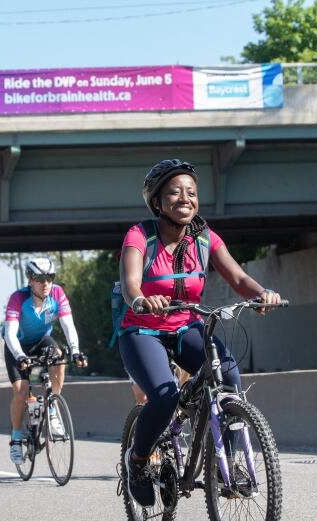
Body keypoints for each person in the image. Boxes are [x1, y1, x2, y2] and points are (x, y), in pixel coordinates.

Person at [118, 159, 282, 506]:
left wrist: (261, 294)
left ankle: (236, 463)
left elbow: (238, 278)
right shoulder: (140, 235)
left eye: (191, 192)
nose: (185, 199)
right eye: (174, 192)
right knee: (164, 395)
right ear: (157, 202)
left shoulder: (205, 237)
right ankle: (138, 460)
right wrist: (143, 301)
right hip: (142, 331)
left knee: (229, 374)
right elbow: (131, 283)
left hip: (186, 326)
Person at [3, 257, 88, 465]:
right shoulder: (18, 298)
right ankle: (15, 438)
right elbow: (10, 334)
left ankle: (52, 408)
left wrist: (76, 351)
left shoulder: (57, 294)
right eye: (41, 278)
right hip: (17, 346)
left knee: (59, 356)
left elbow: (68, 325)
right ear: (30, 280)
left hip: (41, 340)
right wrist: (20, 356)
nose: (46, 283)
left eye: (50, 277)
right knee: (22, 392)